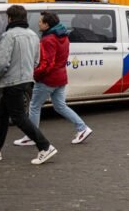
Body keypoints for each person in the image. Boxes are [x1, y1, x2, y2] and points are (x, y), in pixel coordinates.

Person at [0, 5, 58, 165]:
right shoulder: (33, 35)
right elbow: (36, 60)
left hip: (11, 81)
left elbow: (1, 62)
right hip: (26, 79)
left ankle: (45, 146)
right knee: (2, 115)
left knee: (19, 117)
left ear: (10, 18)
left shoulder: (9, 35)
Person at [14, 12, 93, 147]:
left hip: (48, 79)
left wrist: (35, 74)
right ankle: (82, 128)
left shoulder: (48, 39)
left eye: (40, 21)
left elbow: (47, 63)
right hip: (61, 77)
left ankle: (31, 136)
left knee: (34, 106)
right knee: (60, 106)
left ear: (47, 24)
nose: (38, 23)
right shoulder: (63, 37)